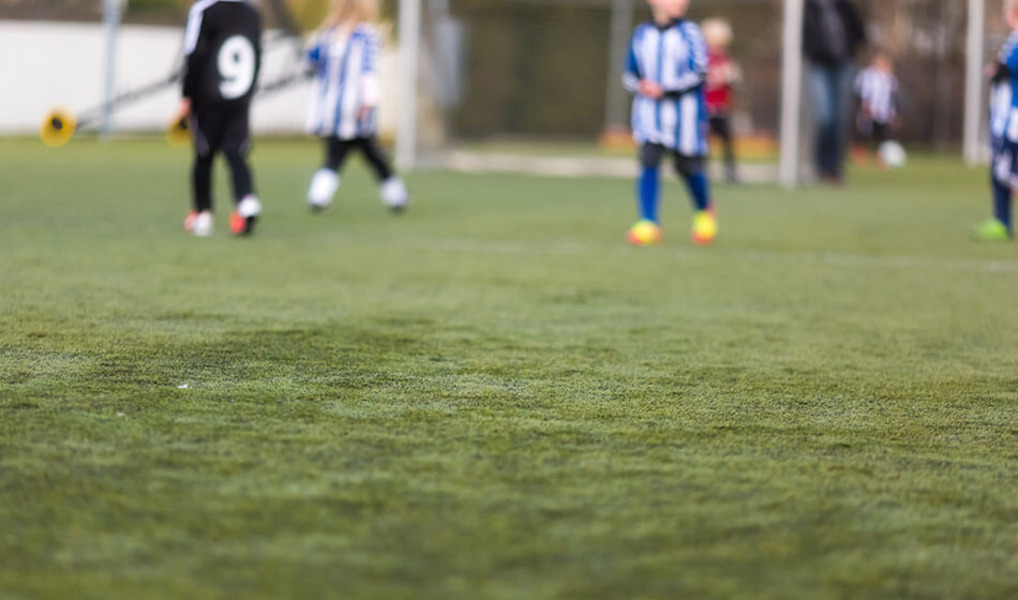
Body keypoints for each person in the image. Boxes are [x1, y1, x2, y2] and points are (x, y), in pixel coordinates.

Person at [622, 0, 716, 246]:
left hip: (684, 116)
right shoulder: (641, 34)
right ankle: (648, 222)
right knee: (649, 160)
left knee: (686, 167)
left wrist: (665, 90)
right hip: (650, 115)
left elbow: (700, 72)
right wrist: (641, 86)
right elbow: (629, 73)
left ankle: (704, 210)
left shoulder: (691, 33)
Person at [305, 0, 408, 214]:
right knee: (373, 154)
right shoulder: (366, 36)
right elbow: (367, 71)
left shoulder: (328, 35)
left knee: (335, 154)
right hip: (356, 106)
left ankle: (318, 195)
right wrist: (368, 102)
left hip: (332, 108)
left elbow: (312, 61)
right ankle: (396, 196)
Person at [178, 0, 263, 237]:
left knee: (204, 153)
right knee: (236, 151)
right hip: (240, 94)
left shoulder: (204, 10)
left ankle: (202, 214)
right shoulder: (251, 12)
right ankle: (247, 202)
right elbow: (257, 52)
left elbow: (195, 54)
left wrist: (187, 96)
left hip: (208, 95)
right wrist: (248, 92)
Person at [803, 0, 866, 185]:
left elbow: (859, 31)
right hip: (819, 65)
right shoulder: (809, 7)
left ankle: (835, 169)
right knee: (824, 117)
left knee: (840, 119)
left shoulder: (843, 5)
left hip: (844, 64)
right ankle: (821, 167)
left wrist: (852, 47)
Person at [977, 0, 1018, 241]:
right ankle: (1001, 221)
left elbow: (1006, 68)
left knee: (1003, 170)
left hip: (1012, 120)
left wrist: (995, 70)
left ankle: (1002, 221)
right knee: (1000, 170)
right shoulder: (1011, 40)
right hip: (1005, 117)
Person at [702, 18, 741, 183]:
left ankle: (730, 171)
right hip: (707, 108)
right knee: (704, 141)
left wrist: (731, 76)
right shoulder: (703, 58)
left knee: (727, 140)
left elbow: (734, 79)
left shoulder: (726, 59)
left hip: (722, 107)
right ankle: (702, 170)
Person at [853, 52, 900, 165]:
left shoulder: (890, 78)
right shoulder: (867, 75)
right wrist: (865, 107)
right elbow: (861, 92)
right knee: (863, 133)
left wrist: (894, 113)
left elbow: (894, 97)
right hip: (869, 110)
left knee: (883, 135)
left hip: (883, 112)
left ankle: (882, 158)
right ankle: (859, 156)